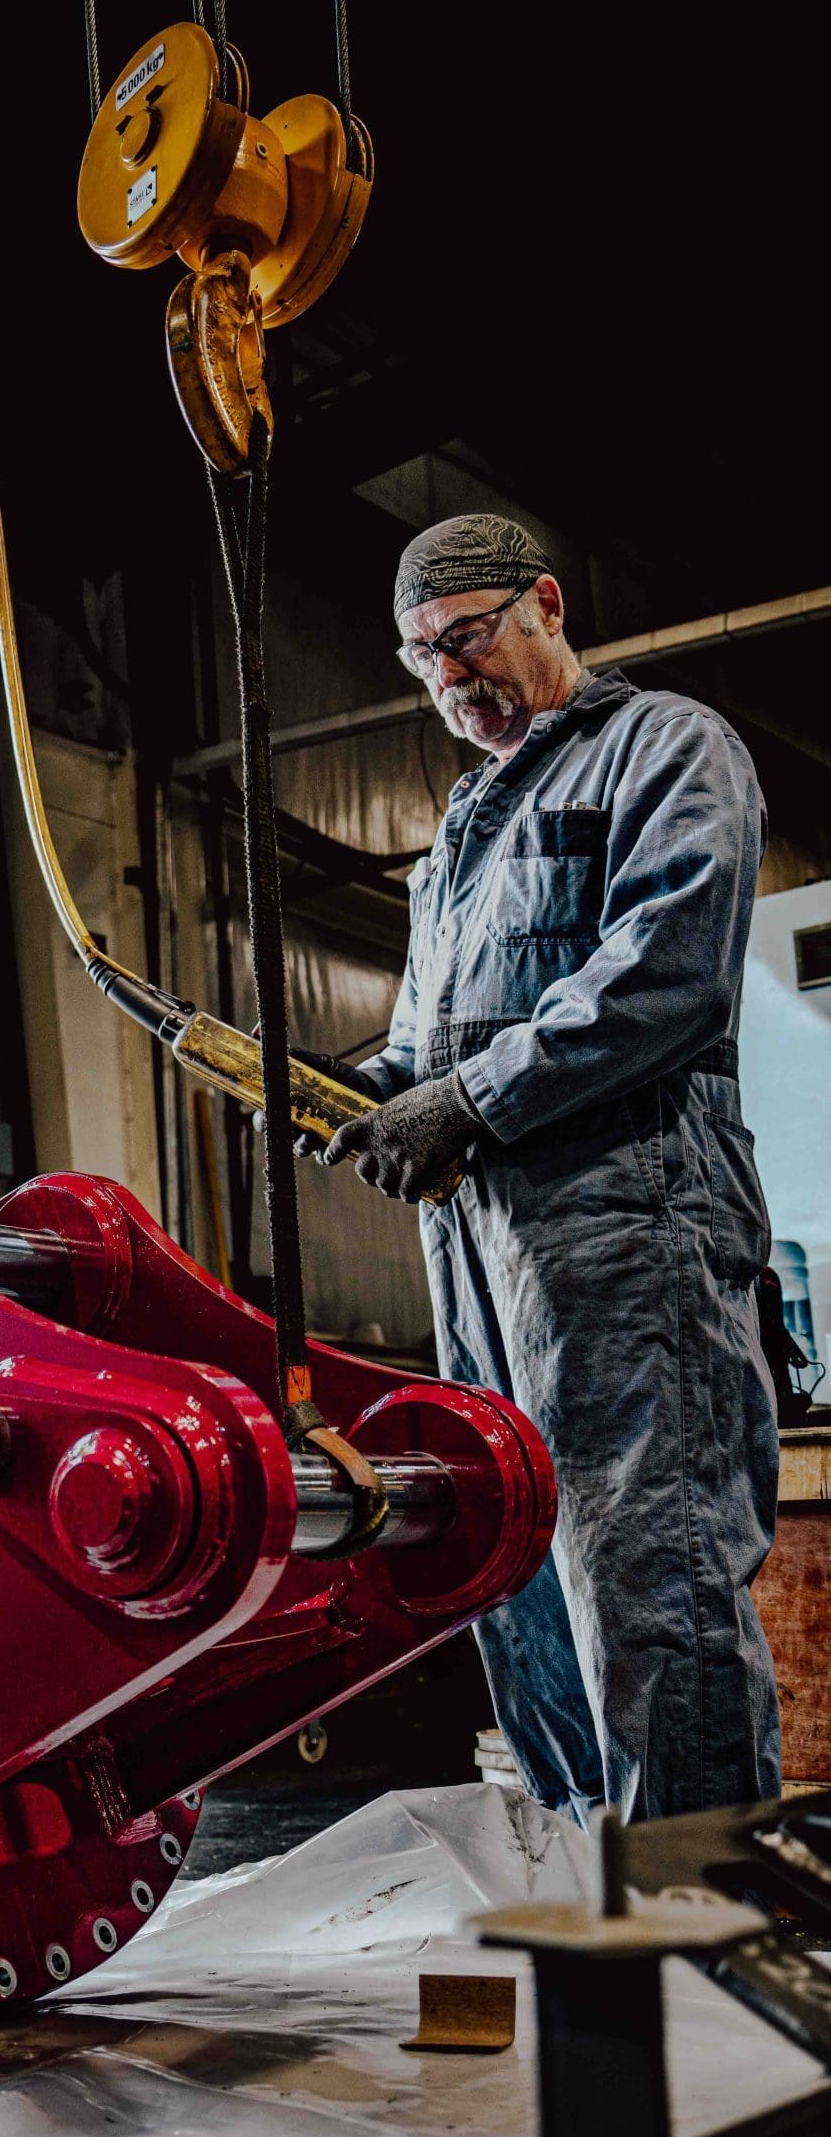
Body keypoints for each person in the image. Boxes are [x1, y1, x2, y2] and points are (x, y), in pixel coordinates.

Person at [300, 514, 779, 1824]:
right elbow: (418, 1048)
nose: (448, 677)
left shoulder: (668, 750)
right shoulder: (457, 833)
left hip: (633, 1230)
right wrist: (363, 1100)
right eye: (419, 659)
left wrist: (467, 1101)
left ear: (547, 605)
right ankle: (600, 1913)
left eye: (464, 639)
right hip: (484, 1254)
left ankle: (701, 1930)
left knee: (649, 1571)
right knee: (517, 1571)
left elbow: (668, 973)